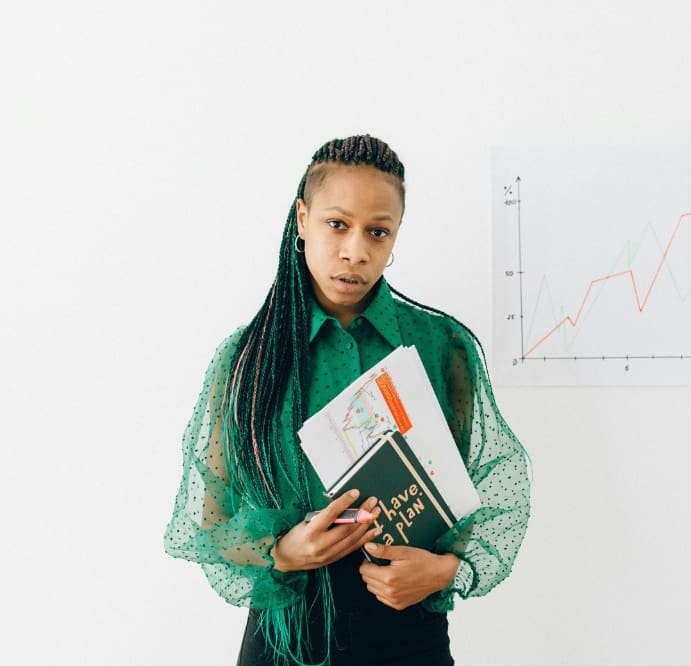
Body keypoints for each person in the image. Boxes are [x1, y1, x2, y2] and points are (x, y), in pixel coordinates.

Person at [164, 135, 531, 666]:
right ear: (301, 218)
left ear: (395, 236)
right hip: (286, 635)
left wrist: (446, 570)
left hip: (408, 628)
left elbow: (480, 489)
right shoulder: (247, 359)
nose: (355, 251)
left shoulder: (442, 346)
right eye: (337, 224)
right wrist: (283, 551)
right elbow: (208, 526)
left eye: (377, 232)